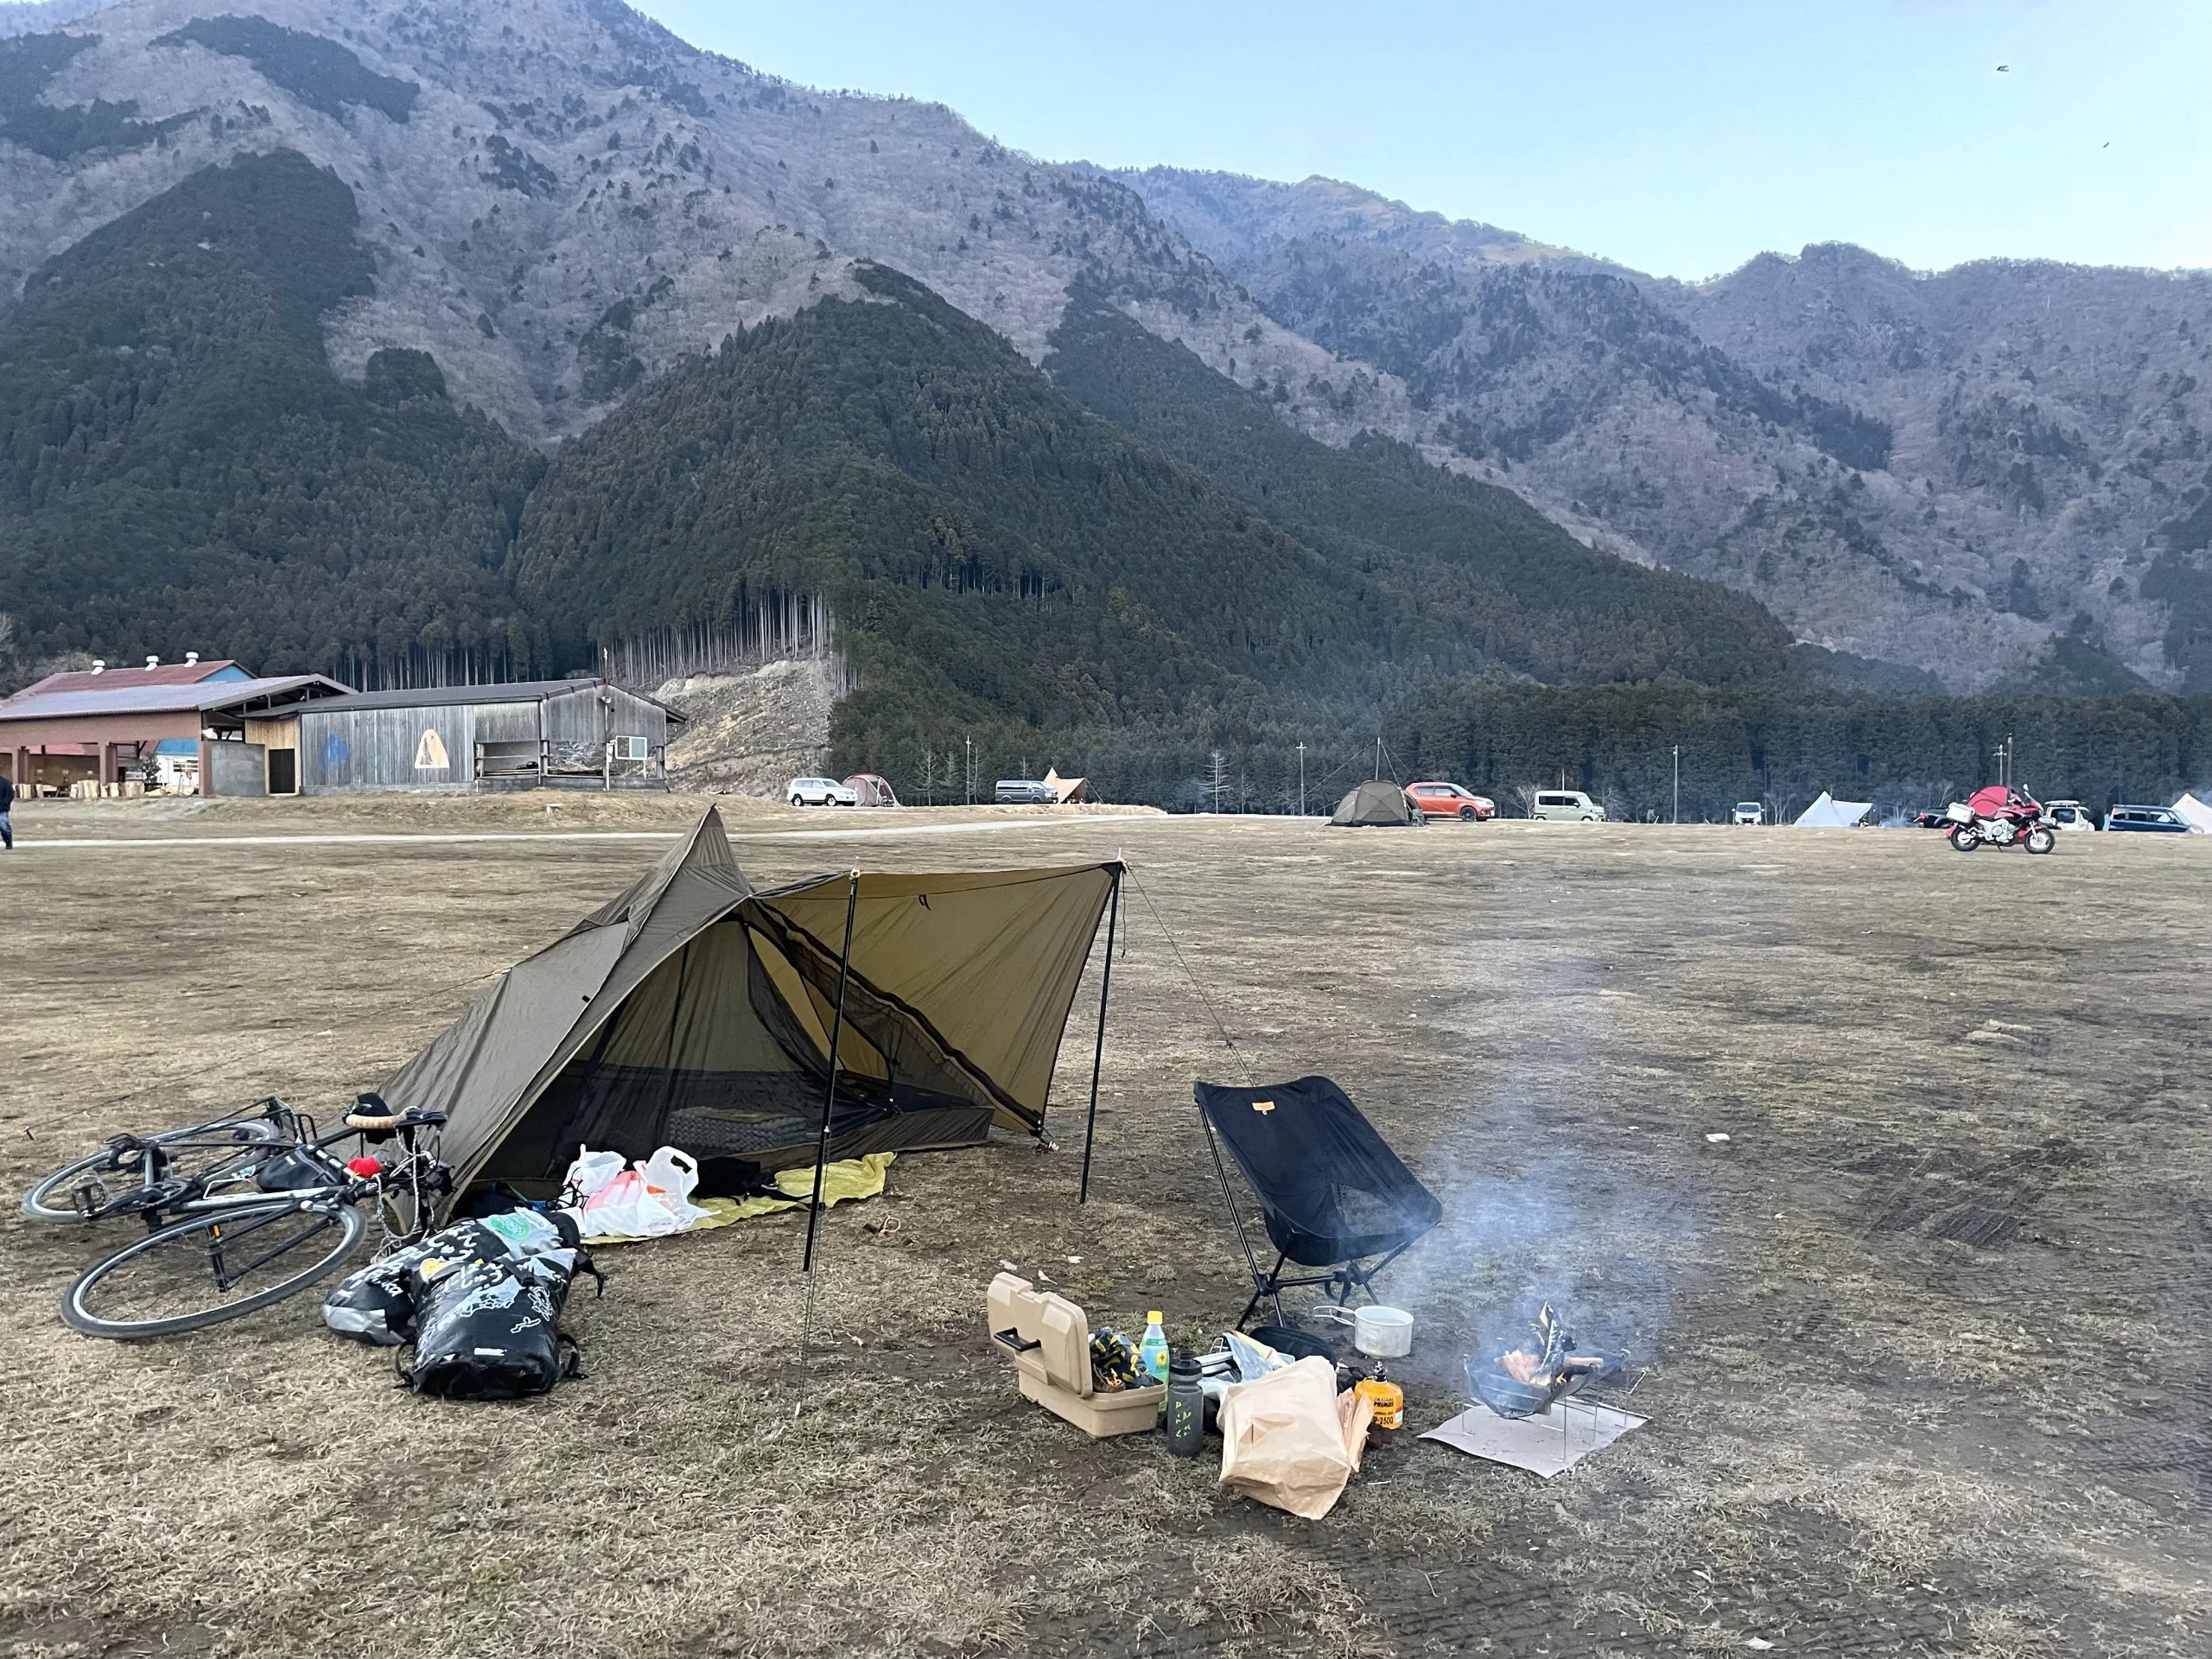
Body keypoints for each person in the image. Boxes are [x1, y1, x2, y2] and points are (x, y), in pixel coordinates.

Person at [0, 769, 13, 849]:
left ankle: (8, 843)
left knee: (4, 828)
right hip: (2, 809)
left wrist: (4, 804)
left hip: (1, 810)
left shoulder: (5, 783)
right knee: (4, 827)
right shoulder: (6, 782)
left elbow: (10, 794)